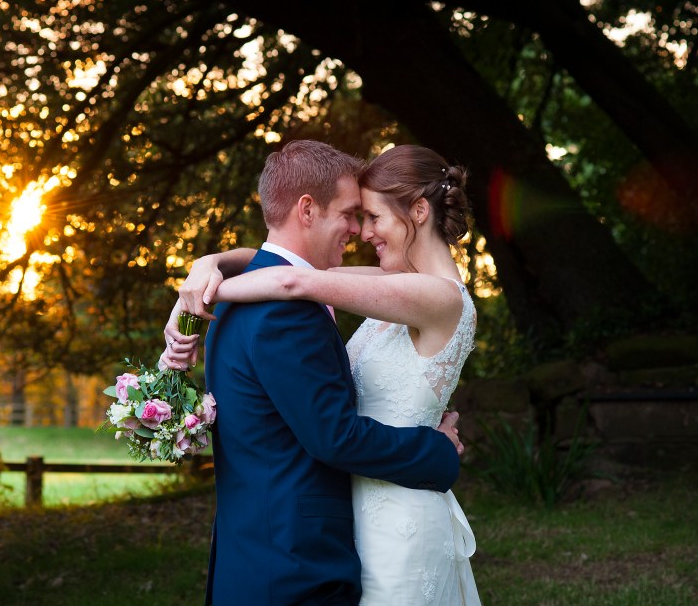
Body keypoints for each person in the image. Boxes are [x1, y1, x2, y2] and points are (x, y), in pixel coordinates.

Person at [165, 143, 481, 605]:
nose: (361, 231)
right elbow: (284, 268)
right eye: (356, 215)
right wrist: (207, 269)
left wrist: (200, 297)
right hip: (343, 523)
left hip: (396, 514)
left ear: (418, 211)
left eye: (373, 217)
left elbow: (296, 279)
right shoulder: (390, 286)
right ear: (308, 210)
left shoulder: (439, 297)